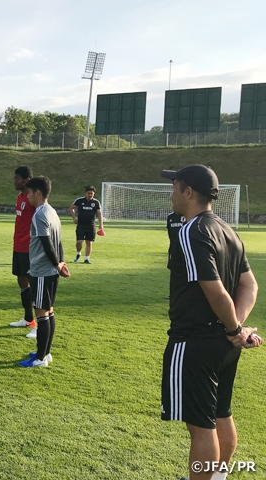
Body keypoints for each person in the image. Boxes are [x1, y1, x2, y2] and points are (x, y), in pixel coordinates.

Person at [159, 164, 261, 480]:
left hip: (195, 342)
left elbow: (214, 289)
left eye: (174, 187)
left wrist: (234, 328)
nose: (171, 193)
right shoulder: (229, 231)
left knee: (201, 427)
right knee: (221, 414)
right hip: (223, 344)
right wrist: (237, 328)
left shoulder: (191, 230)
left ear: (188, 192)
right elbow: (250, 286)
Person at [18, 176, 70, 368]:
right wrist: (61, 262)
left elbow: (47, 243)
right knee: (49, 311)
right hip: (50, 270)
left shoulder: (39, 214)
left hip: (42, 270)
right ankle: (45, 353)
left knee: (41, 313)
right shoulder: (52, 212)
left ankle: (40, 358)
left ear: (38, 193)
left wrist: (57, 264)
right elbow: (59, 242)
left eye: (30, 193)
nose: (28, 197)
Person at [9, 166, 37, 332]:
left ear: (26, 180)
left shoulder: (33, 198)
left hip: (29, 247)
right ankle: (28, 319)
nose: (14, 182)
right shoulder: (20, 197)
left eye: (17, 178)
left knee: (33, 283)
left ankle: (40, 323)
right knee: (21, 280)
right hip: (17, 245)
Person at [69, 186, 104, 264]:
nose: (90, 195)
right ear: (86, 193)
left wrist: (101, 224)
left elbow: (99, 213)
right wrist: (74, 218)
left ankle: (86, 259)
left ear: (94, 194)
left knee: (89, 242)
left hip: (91, 225)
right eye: (89, 193)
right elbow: (72, 208)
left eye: (92, 193)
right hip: (81, 225)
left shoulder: (96, 202)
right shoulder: (79, 200)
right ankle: (78, 253)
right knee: (79, 241)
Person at [165, 211, 186, 300]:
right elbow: (170, 233)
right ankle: (173, 294)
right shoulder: (170, 217)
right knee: (174, 270)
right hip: (173, 248)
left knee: (186, 271)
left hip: (185, 248)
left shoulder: (187, 215)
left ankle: (187, 293)